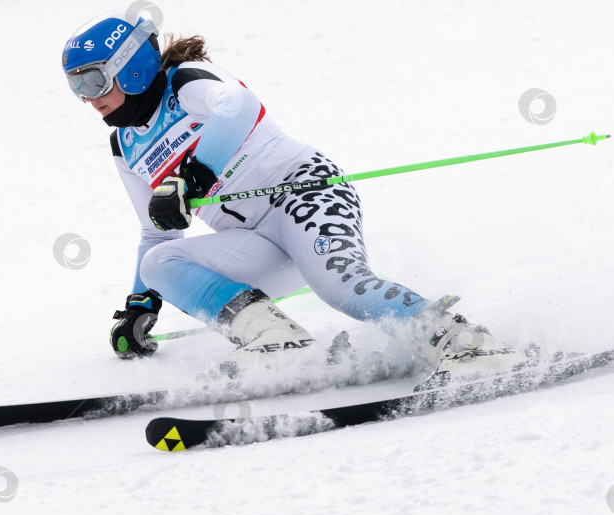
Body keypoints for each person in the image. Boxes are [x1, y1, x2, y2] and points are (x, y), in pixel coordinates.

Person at [61, 11, 526, 386]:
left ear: (131, 68)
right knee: (159, 263)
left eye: (94, 82)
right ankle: (277, 345)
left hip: (305, 192)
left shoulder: (185, 81)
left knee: (339, 286)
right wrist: (142, 304)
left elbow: (239, 106)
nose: (87, 98)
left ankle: (466, 343)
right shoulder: (125, 144)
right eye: (76, 87)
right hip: (250, 239)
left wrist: (192, 176)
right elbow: (154, 228)